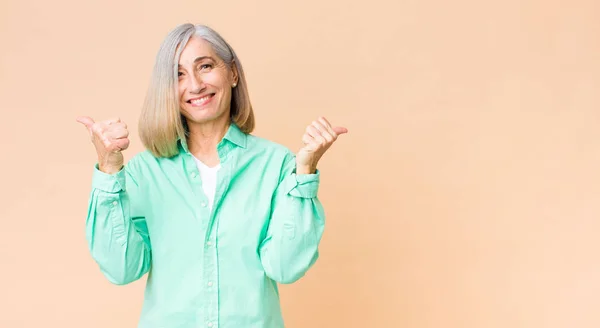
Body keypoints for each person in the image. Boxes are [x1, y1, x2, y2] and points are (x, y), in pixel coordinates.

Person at [76, 23, 347, 327]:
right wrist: (109, 169)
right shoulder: (144, 172)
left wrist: (305, 173)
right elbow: (120, 269)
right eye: (178, 75)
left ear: (232, 73)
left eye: (204, 66)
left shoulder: (278, 164)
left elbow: (286, 267)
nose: (194, 85)